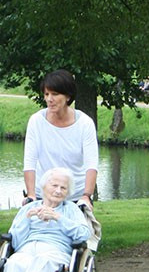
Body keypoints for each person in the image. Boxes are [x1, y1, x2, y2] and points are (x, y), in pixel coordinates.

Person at [0, 167, 93, 272]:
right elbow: (15, 241)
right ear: (44, 187)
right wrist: (27, 219)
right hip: (27, 250)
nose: (58, 191)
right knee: (13, 262)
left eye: (63, 188)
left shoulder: (70, 209)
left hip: (56, 252)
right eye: (54, 185)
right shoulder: (28, 208)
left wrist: (57, 217)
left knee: (43, 261)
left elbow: (84, 234)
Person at [23, 69, 99, 210]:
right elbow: (29, 161)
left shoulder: (85, 123)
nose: (49, 99)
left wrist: (87, 195)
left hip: (75, 196)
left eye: (55, 94)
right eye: (46, 94)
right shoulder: (36, 121)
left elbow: (91, 164)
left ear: (68, 96)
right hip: (44, 196)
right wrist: (31, 195)